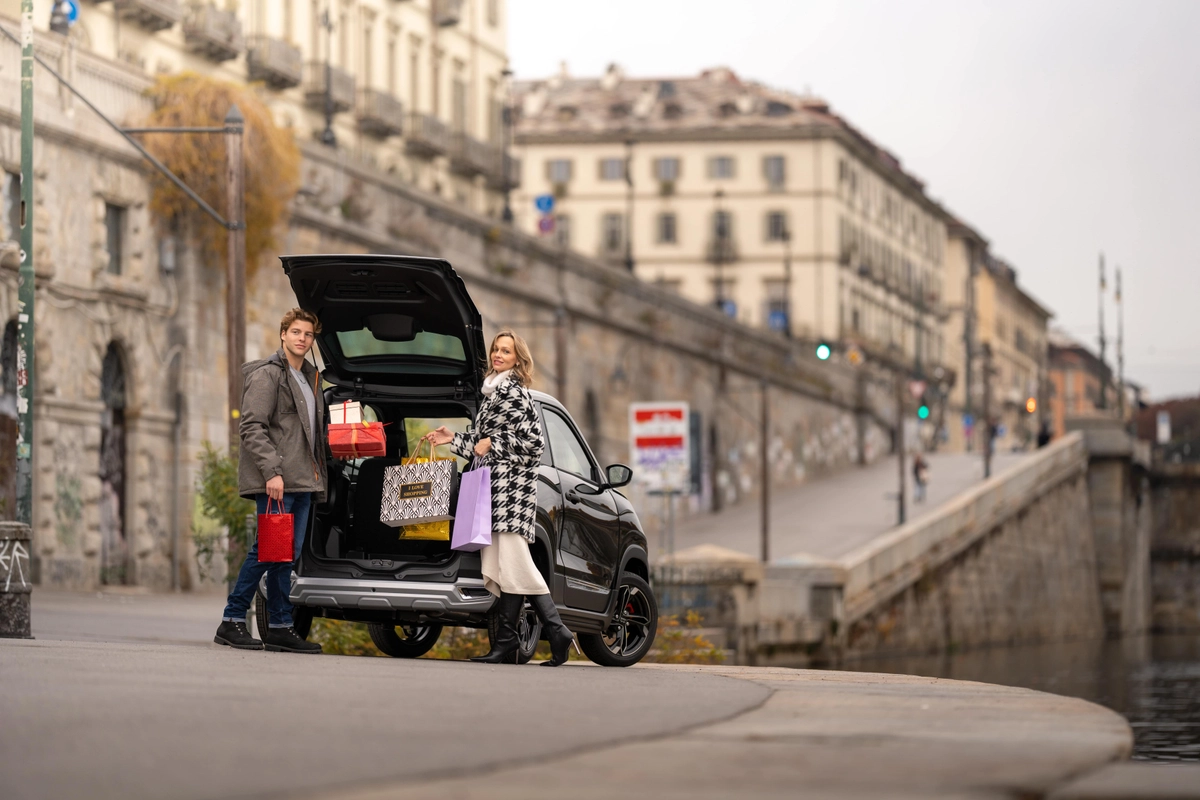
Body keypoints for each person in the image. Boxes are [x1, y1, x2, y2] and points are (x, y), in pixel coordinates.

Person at [425, 330, 575, 667]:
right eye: (496, 349)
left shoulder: (514, 393)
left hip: (511, 495)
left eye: (505, 351)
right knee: (506, 568)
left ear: (518, 359)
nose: (497, 354)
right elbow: (481, 446)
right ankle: (511, 643)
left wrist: (494, 443)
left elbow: (533, 445)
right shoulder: (492, 394)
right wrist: (453, 439)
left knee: (517, 565)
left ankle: (556, 632)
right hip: (491, 493)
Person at [214, 308, 327, 655]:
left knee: (284, 556)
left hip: (304, 481)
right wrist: (272, 472)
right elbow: (251, 427)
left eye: (307, 335)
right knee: (267, 551)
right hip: (279, 480)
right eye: (296, 332)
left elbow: (310, 433)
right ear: (283, 334)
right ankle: (232, 620)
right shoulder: (268, 375)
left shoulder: (311, 378)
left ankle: (279, 626)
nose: (302, 339)